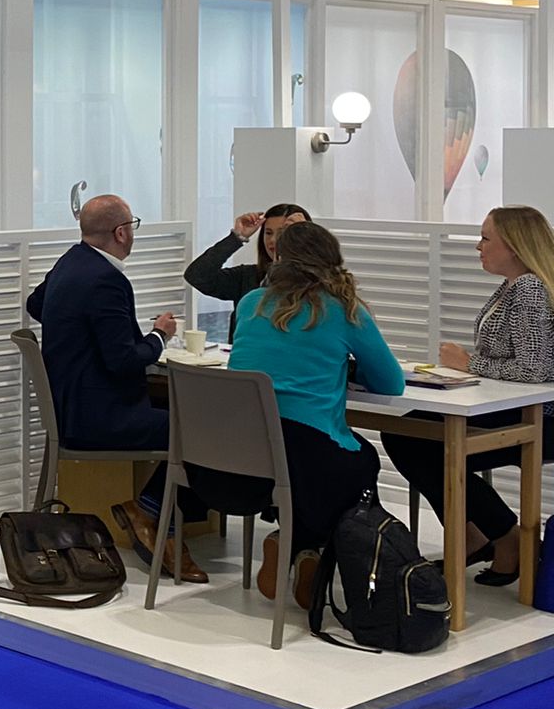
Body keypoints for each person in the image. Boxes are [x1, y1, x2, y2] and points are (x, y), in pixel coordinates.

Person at [24, 194, 207, 582]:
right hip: (100, 419)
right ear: (122, 232)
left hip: (70, 409)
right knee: (202, 430)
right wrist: (159, 335)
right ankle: (151, 515)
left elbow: (35, 305)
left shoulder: (70, 262)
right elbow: (123, 360)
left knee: (181, 418)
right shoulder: (107, 280)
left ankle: (153, 516)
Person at [216, 221, 403, 600]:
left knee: (310, 469)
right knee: (362, 461)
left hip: (239, 454)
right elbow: (391, 383)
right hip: (307, 450)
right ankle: (311, 551)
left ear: (279, 259)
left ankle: (295, 545)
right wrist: (349, 368)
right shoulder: (344, 310)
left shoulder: (252, 302)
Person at [381, 205, 554, 587]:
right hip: (510, 406)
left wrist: (468, 363)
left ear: (514, 245)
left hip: (539, 418)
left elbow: (534, 369)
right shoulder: (511, 286)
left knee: (420, 441)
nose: (478, 247)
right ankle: (482, 535)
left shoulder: (528, 288)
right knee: (409, 433)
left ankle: (502, 536)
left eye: (486, 238)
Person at [183, 203, 310, 338]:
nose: (273, 240)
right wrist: (235, 238)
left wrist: (305, 237)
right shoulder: (248, 276)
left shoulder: (316, 284)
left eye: (282, 233)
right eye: (268, 233)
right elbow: (197, 275)